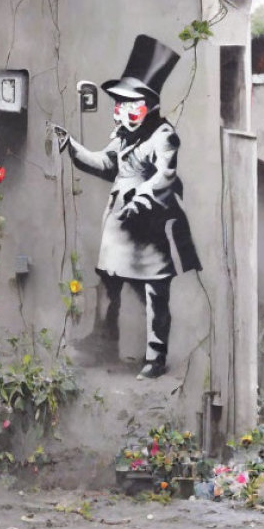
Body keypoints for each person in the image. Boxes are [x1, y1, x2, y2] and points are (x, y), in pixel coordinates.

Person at [54, 34, 201, 380]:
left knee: (156, 292)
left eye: (129, 103)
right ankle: (105, 340)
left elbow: (164, 176)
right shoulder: (122, 135)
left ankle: (155, 355)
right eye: (118, 103)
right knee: (109, 284)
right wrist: (72, 147)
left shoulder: (164, 136)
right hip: (119, 228)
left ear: (149, 104)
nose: (121, 110)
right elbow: (106, 164)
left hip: (150, 228)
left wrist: (142, 198)